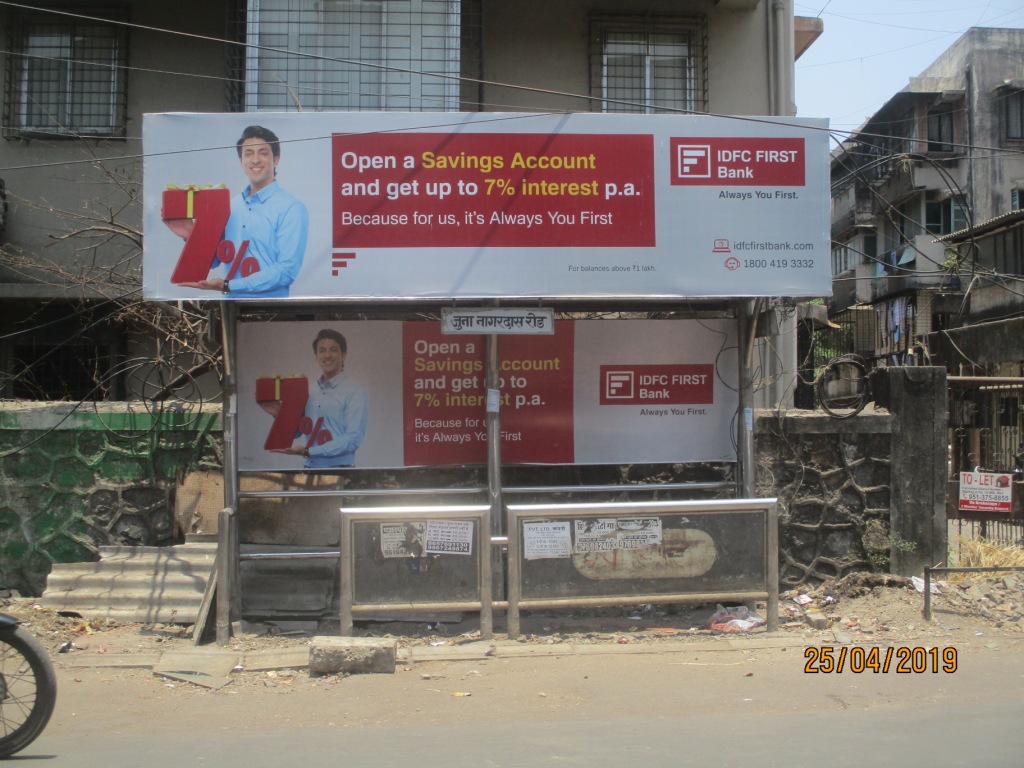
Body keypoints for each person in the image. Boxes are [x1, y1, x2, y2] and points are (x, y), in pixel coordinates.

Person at [171, 125, 309, 297]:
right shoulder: (229, 206)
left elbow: (287, 270)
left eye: (263, 153)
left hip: (272, 310)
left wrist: (229, 285)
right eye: (248, 153)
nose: (255, 160)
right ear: (241, 161)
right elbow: (214, 260)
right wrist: (189, 233)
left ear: (276, 160)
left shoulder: (292, 208)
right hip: (231, 307)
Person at [261, 329, 369, 468]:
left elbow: (352, 439)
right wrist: (278, 413)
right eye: (322, 350)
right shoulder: (309, 390)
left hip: (341, 470)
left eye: (333, 350)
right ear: (316, 356)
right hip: (309, 468)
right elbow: (300, 431)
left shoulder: (356, 392)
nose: (327, 355)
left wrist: (308, 451)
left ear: (343, 355)